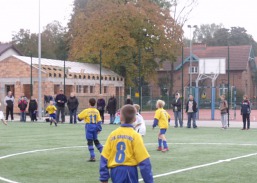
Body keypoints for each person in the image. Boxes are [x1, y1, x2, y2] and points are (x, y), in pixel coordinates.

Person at [99, 105, 153, 183]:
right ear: (135, 119)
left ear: (120, 117)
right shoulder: (135, 136)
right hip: (129, 171)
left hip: (114, 171)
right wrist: (149, 181)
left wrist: (104, 178)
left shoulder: (112, 134)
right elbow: (144, 161)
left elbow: (104, 157)